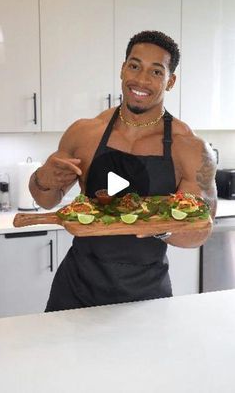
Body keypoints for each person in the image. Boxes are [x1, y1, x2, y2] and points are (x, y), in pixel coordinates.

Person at [29, 30, 217, 312]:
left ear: (170, 81)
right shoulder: (84, 132)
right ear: (122, 68)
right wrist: (43, 178)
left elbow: (200, 230)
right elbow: (46, 200)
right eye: (134, 65)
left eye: (156, 71)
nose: (141, 80)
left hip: (146, 294)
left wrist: (157, 226)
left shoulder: (189, 147)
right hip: (77, 288)